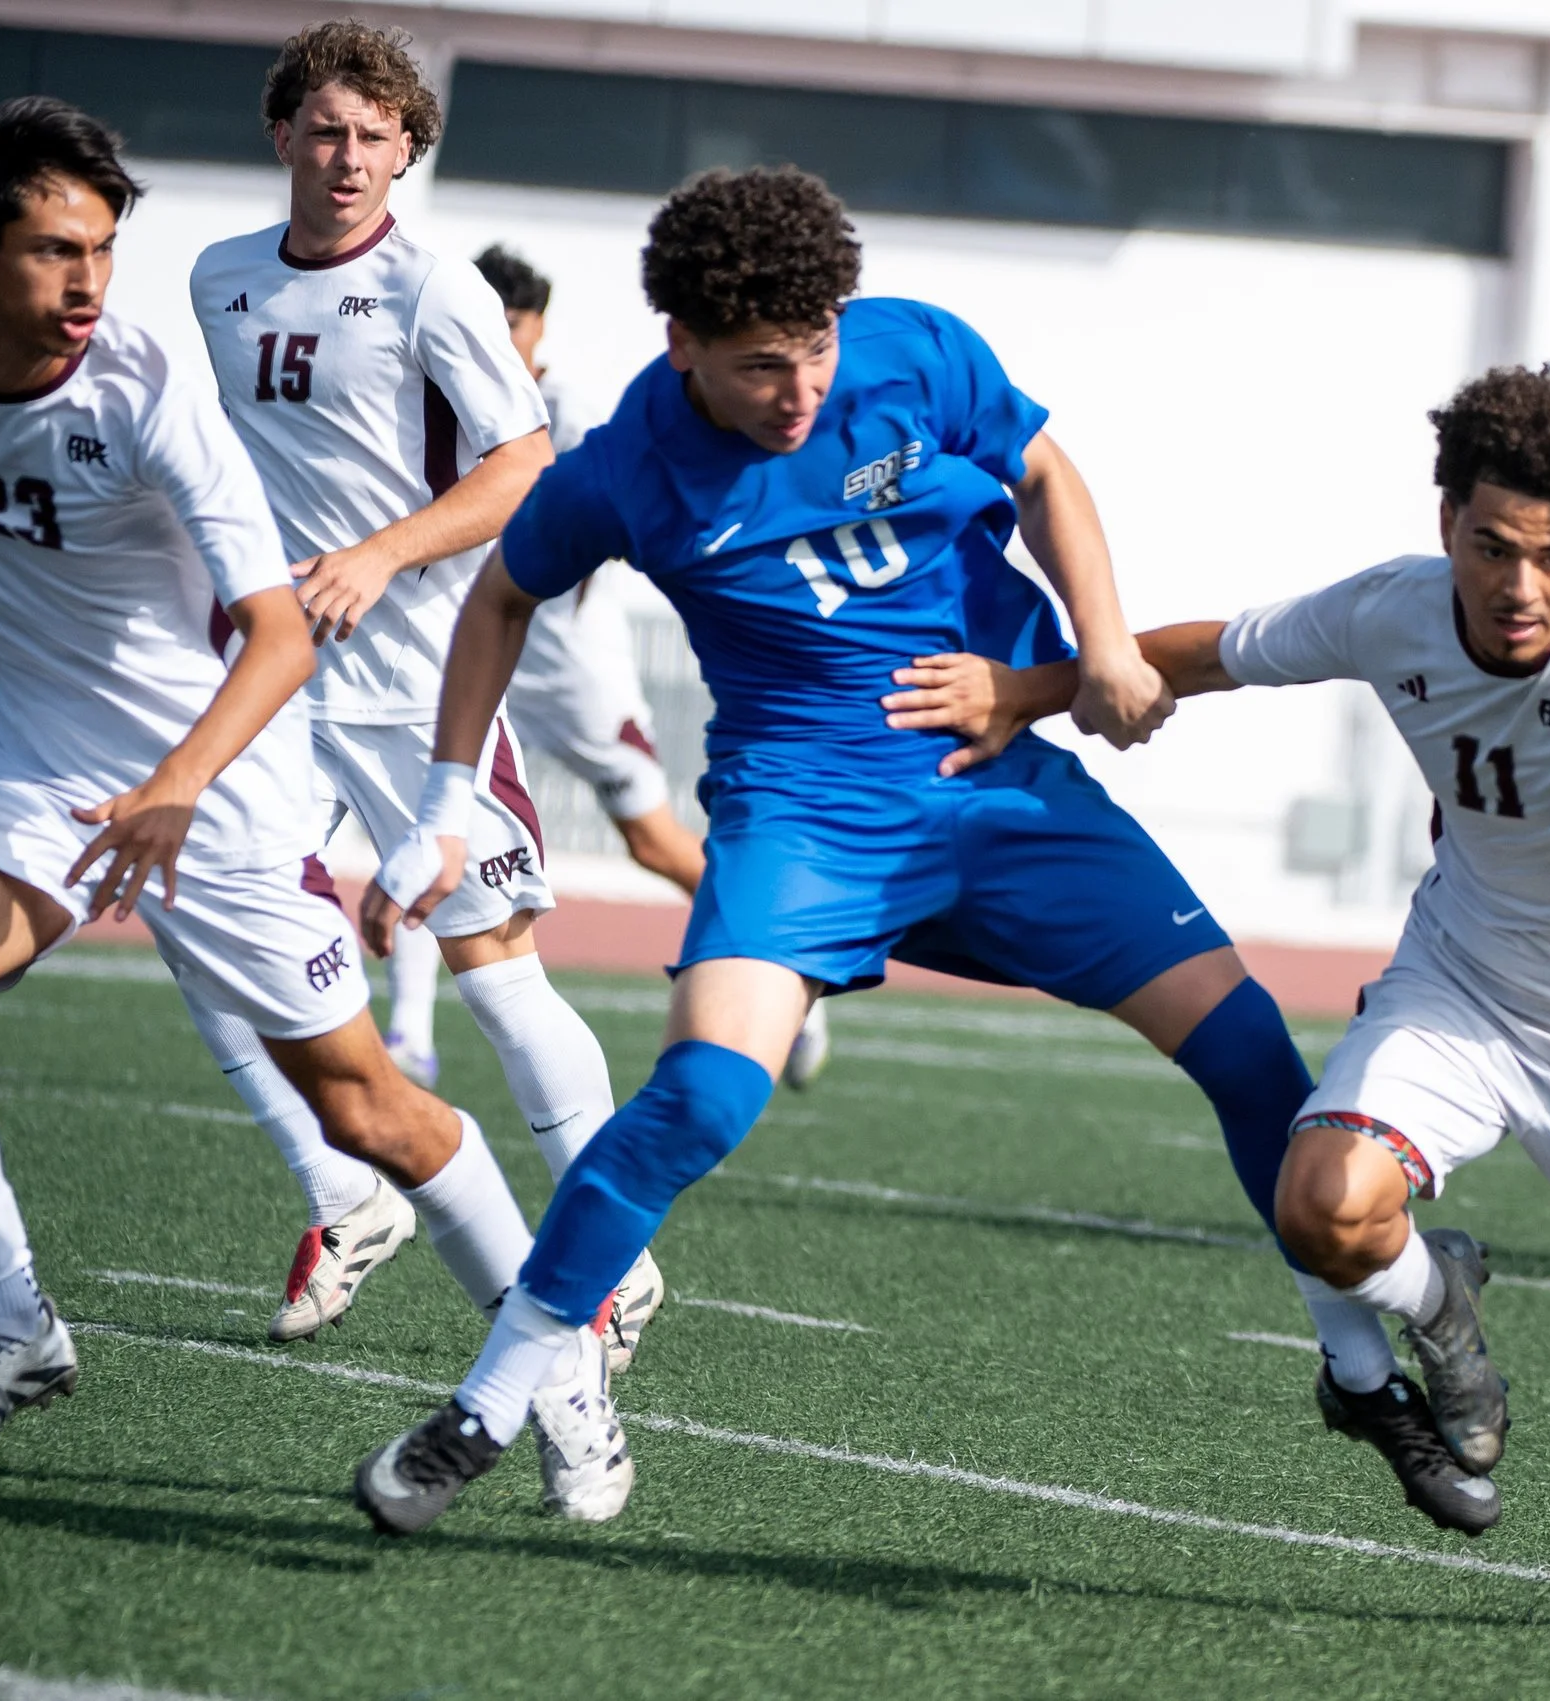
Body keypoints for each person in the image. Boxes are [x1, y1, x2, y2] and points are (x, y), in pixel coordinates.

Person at [348, 165, 1317, 1535]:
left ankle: (1370, 1353)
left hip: (995, 782)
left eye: (813, 352)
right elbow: (501, 595)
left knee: (1253, 1052)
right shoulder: (625, 465)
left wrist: (1101, 643)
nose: (799, 391)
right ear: (683, 345)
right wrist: (448, 802)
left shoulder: (911, 352)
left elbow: (1045, 468)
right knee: (699, 1101)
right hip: (803, 810)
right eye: (759, 366)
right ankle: (490, 1407)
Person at [901, 367, 1550, 1642]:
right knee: (1321, 1207)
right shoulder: (1391, 610)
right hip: (1462, 986)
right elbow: (1209, 655)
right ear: (1446, 521)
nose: (1521, 588)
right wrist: (1022, 691)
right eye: (1492, 547)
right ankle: (1440, 1304)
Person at [0, 101, 626, 1520]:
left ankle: (562, 1368)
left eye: (102, 251)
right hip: (41, 770)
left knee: (364, 1110)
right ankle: (14, 1325)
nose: (86, 284)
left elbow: (281, 636)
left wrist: (178, 788)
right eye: (53, 251)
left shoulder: (140, 393)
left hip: (222, 783)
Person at [180, 24, 659, 1362]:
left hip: (418, 684)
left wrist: (381, 554)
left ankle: (613, 1253)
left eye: (375, 137)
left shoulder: (434, 289)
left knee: (495, 974)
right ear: (282, 134)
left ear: (407, 152)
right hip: (277, 677)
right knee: (205, 926)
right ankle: (345, 1193)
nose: (347, 158)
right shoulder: (218, 278)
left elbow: (525, 466)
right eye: (327, 130)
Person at [470, 244, 828, 1091]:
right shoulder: (435, 396)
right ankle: (411, 1032)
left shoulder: (571, 413)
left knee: (653, 840)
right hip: (475, 649)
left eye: (513, 322)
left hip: (570, 666)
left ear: (538, 328)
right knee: (437, 821)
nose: (498, 338)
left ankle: (788, 963)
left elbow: (589, 515)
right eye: (484, 320)